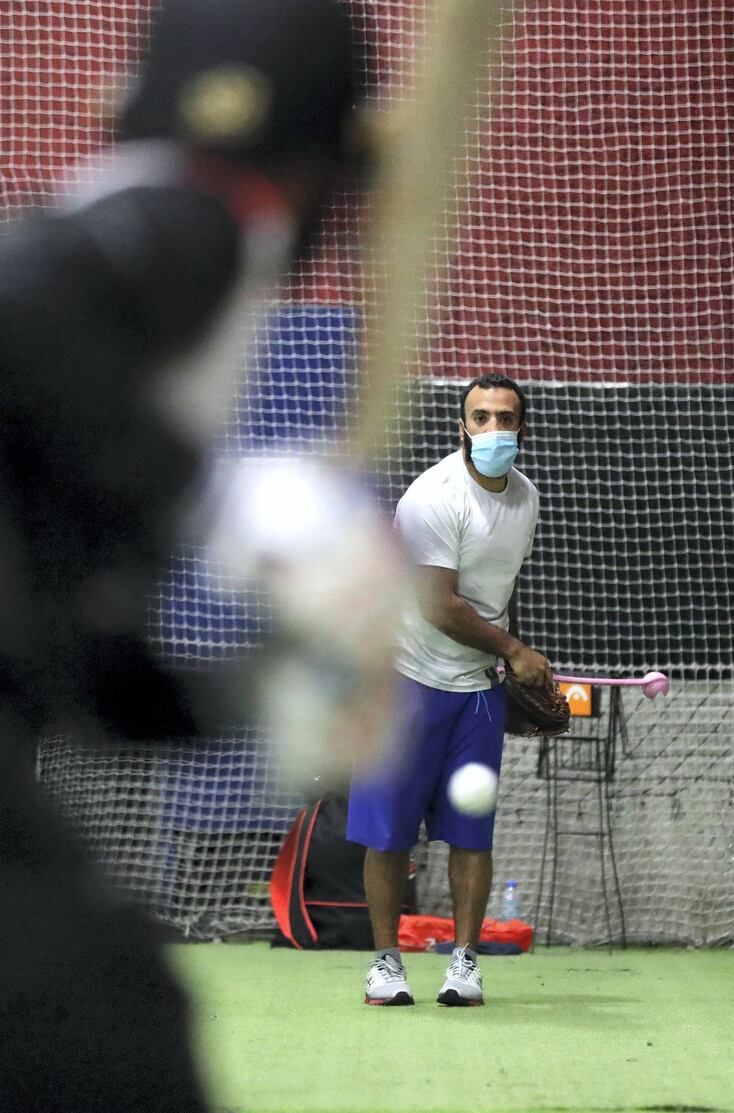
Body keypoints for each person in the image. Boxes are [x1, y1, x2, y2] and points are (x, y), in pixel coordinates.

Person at [0, 1, 390, 1109]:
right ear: (340, 163)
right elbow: (15, 305)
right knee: (108, 1028)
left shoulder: (140, 305)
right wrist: (221, 502)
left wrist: (256, 697)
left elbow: (89, 676)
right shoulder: (213, 217)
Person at [347, 372, 552, 1007]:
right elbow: (438, 605)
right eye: (481, 416)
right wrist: (515, 651)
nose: (494, 428)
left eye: (506, 417)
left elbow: (499, 594)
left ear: (523, 427)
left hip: (478, 696)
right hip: (405, 683)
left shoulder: (526, 500)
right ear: (462, 425)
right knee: (389, 834)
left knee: (471, 832)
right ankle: (386, 965)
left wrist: (512, 676)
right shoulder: (432, 497)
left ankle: (464, 963)